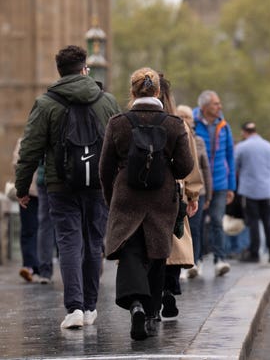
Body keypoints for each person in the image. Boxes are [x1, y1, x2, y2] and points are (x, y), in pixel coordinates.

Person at [14, 45, 120, 329]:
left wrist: (22, 188)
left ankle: (73, 307)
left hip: (59, 185)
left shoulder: (46, 103)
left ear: (59, 71)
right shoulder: (106, 101)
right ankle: (89, 307)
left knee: (69, 242)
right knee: (94, 242)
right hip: (98, 184)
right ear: (85, 69)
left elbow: (30, 150)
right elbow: (120, 145)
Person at [99, 67, 193, 340]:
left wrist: (111, 198)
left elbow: (105, 168)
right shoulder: (174, 124)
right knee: (156, 254)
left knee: (130, 251)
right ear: (157, 91)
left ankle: (136, 304)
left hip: (127, 197)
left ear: (132, 92)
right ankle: (152, 312)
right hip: (162, 199)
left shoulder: (117, 123)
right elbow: (185, 167)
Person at [157, 75, 202, 321]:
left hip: (140, 194)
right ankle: (169, 288)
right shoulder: (178, 124)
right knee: (175, 242)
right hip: (173, 191)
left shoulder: (129, 121)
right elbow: (190, 163)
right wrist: (193, 193)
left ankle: (150, 293)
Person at [193, 90, 236, 276]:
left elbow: (230, 157)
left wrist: (231, 186)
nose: (220, 107)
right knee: (198, 223)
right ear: (204, 107)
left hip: (219, 182)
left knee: (217, 221)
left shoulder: (224, 126)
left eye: (219, 103)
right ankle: (197, 260)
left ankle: (220, 259)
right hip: (200, 183)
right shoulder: (193, 124)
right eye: (215, 104)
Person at [234, 121, 270, 263]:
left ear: (244, 132)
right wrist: (269, 180)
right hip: (266, 190)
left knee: (253, 221)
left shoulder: (241, 147)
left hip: (249, 190)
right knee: (268, 220)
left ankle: (254, 252)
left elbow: (235, 168)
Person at [176, 104, 212, 278]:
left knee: (196, 228)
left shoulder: (198, 141)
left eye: (187, 116)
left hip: (198, 191)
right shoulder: (174, 136)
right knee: (182, 228)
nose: (184, 119)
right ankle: (184, 262)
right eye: (181, 115)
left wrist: (209, 194)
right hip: (179, 191)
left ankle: (196, 261)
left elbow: (205, 169)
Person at [12, 137, 40, 282]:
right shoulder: (23, 140)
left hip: (36, 191)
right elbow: (17, 162)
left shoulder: (25, 140)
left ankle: (37, 265)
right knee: (30, 229)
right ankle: (30, 265)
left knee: (33, 230)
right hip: (29, 192)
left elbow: (16, 163)